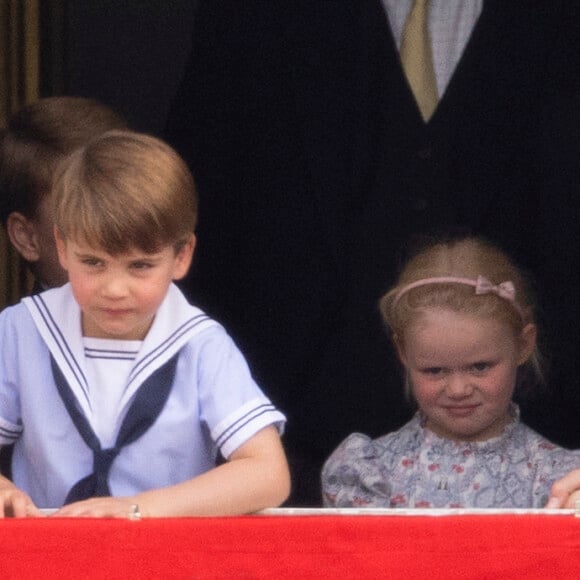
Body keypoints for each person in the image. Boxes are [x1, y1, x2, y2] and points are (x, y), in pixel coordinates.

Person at [165, 1, 580, 505]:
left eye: (477, 371)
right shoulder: (253, 16)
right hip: (288, 450)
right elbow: (199, 212)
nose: (457, 388)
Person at [0, 130, 290, 518]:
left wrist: (139, 508)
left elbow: (269, 474)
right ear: (62, 247)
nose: (115, 289)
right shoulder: (22, 330)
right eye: (93, 263)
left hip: (165, 561)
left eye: (140, 266)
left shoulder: (201, 345)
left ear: (181, 255)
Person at [322, 236, 580, 509]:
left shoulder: (559, 479)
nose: (458, 389)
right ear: (403, 352)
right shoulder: (369, 472)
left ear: (523, 345)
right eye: (434, 370)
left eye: (480, 367)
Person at [0, 96, 127, 292]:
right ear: (26, 237)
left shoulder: (179, 318)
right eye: (82, 205)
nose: (119, 221)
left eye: (128, 197)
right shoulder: (18, 323)